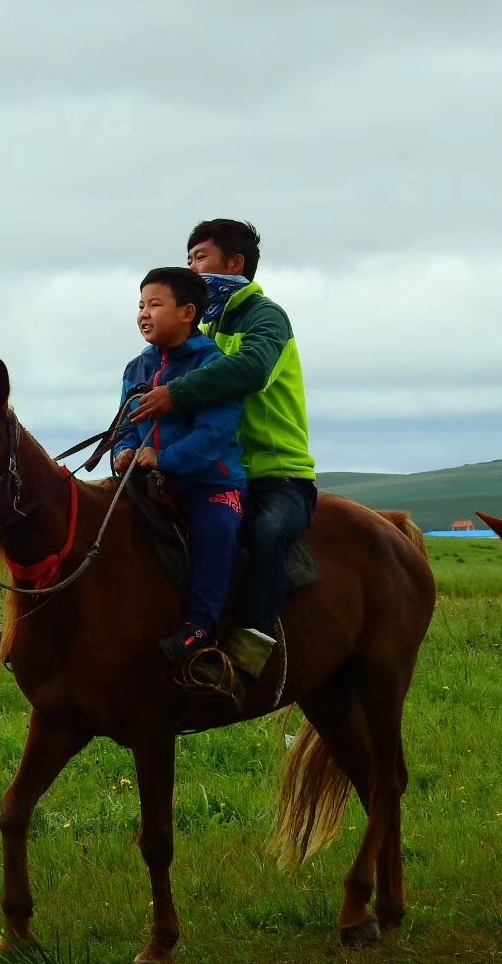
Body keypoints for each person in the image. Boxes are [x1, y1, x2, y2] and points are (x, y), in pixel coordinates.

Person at [128, 219, 316, 697]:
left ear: (235, 265)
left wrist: (175, 394)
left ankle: (246, 652)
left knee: (268, 533)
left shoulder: (265, 318)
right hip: (196, 466)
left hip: (274, 471)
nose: (193, 267)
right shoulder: (203, 325)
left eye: (201, 258)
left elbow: (252, 369)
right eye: (189, 259)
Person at [110, 268, 247, 692]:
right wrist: (124, 451)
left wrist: (163, 458)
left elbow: (214, 432)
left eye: (155, 305)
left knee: (216, 530)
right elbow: (126, 424)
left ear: (188, 313)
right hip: (148, 478)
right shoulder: (138, 366)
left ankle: (201, 628)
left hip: (211, 482)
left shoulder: (213, 365)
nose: (143, 314)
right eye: (140, 305)